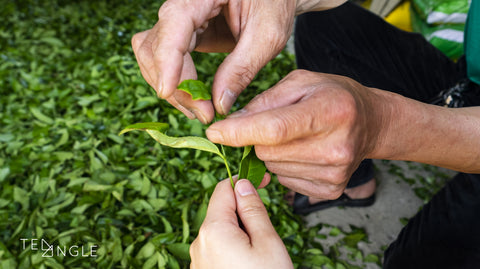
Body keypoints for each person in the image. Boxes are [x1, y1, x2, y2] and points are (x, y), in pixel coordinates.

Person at [131, 0, 480, 267]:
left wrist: (383, 125)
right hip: (470, 78)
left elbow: (386, 123)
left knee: (411, 259)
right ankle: (355, 182)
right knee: (322, 22)